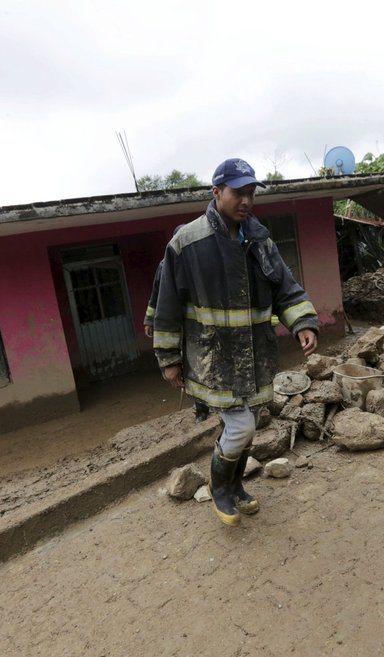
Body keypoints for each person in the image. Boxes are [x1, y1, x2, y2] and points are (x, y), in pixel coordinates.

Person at [152, 157, 319, 526]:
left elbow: (285, 288)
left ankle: (236, 486)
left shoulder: (259, 240)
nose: (246, 200)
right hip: (213, 358)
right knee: (241, 426)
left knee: (247, 424)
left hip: (255, 354)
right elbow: (167, 303)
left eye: (251, 193)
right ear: (216, 193)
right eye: (238, 193)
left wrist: (302, 322)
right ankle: (220, 488)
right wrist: (168, 357)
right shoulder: (188, 242)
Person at [144, 233, 210, 424]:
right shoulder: (165, 266)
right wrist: (150, 320)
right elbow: (158, 296)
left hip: (200, 325)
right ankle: (200, 408)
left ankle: (211, 403)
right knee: (189, 366)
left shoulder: (199, 263)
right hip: (179, 326)